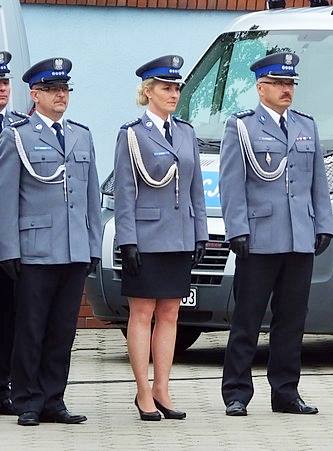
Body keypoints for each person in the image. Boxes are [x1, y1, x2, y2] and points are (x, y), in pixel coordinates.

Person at [219, 51, 333, 416]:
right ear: (260, 87)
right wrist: (237, 229)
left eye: (290, 83)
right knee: (247, 318)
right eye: (279, 83)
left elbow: (318, 181)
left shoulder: (305, 126)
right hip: (260, 237)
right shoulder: (242, 127)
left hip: (299, 236)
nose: (287, 90)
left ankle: (286, 392)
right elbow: (231, 184)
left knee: (292, 320)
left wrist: (323, 223)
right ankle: (237, 392)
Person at [0, 57, 101, 426]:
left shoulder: (81, 135)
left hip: (73, 250)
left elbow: (90, 198)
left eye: (64, 89)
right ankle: (28, 399)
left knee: (62, 330)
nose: (61, 95)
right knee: (31, 329)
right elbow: (6, 198)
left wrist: (92, 246)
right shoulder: (18, 136)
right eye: (52, 89)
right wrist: (8, 249)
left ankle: (54, 399)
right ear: (35, 95)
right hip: (36, 250)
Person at [113, 55, 209, 421]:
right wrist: (127, 240)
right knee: (142, 312)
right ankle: (142, 391)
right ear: (148, 91)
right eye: (166, 88)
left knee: (170, 313)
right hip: (146, 235)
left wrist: (200, 233)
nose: (174, 94)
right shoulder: (132, 134)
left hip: (180, 235)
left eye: (177, 88)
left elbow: (196, 189)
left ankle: (162, 388)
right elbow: (124, 190)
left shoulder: (185, 132)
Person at [0, 50, 29, 417]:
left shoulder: (20, 127)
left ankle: (3, 386)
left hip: (10, 238)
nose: (2, 88)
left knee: (9, 315)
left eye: (5, 81)